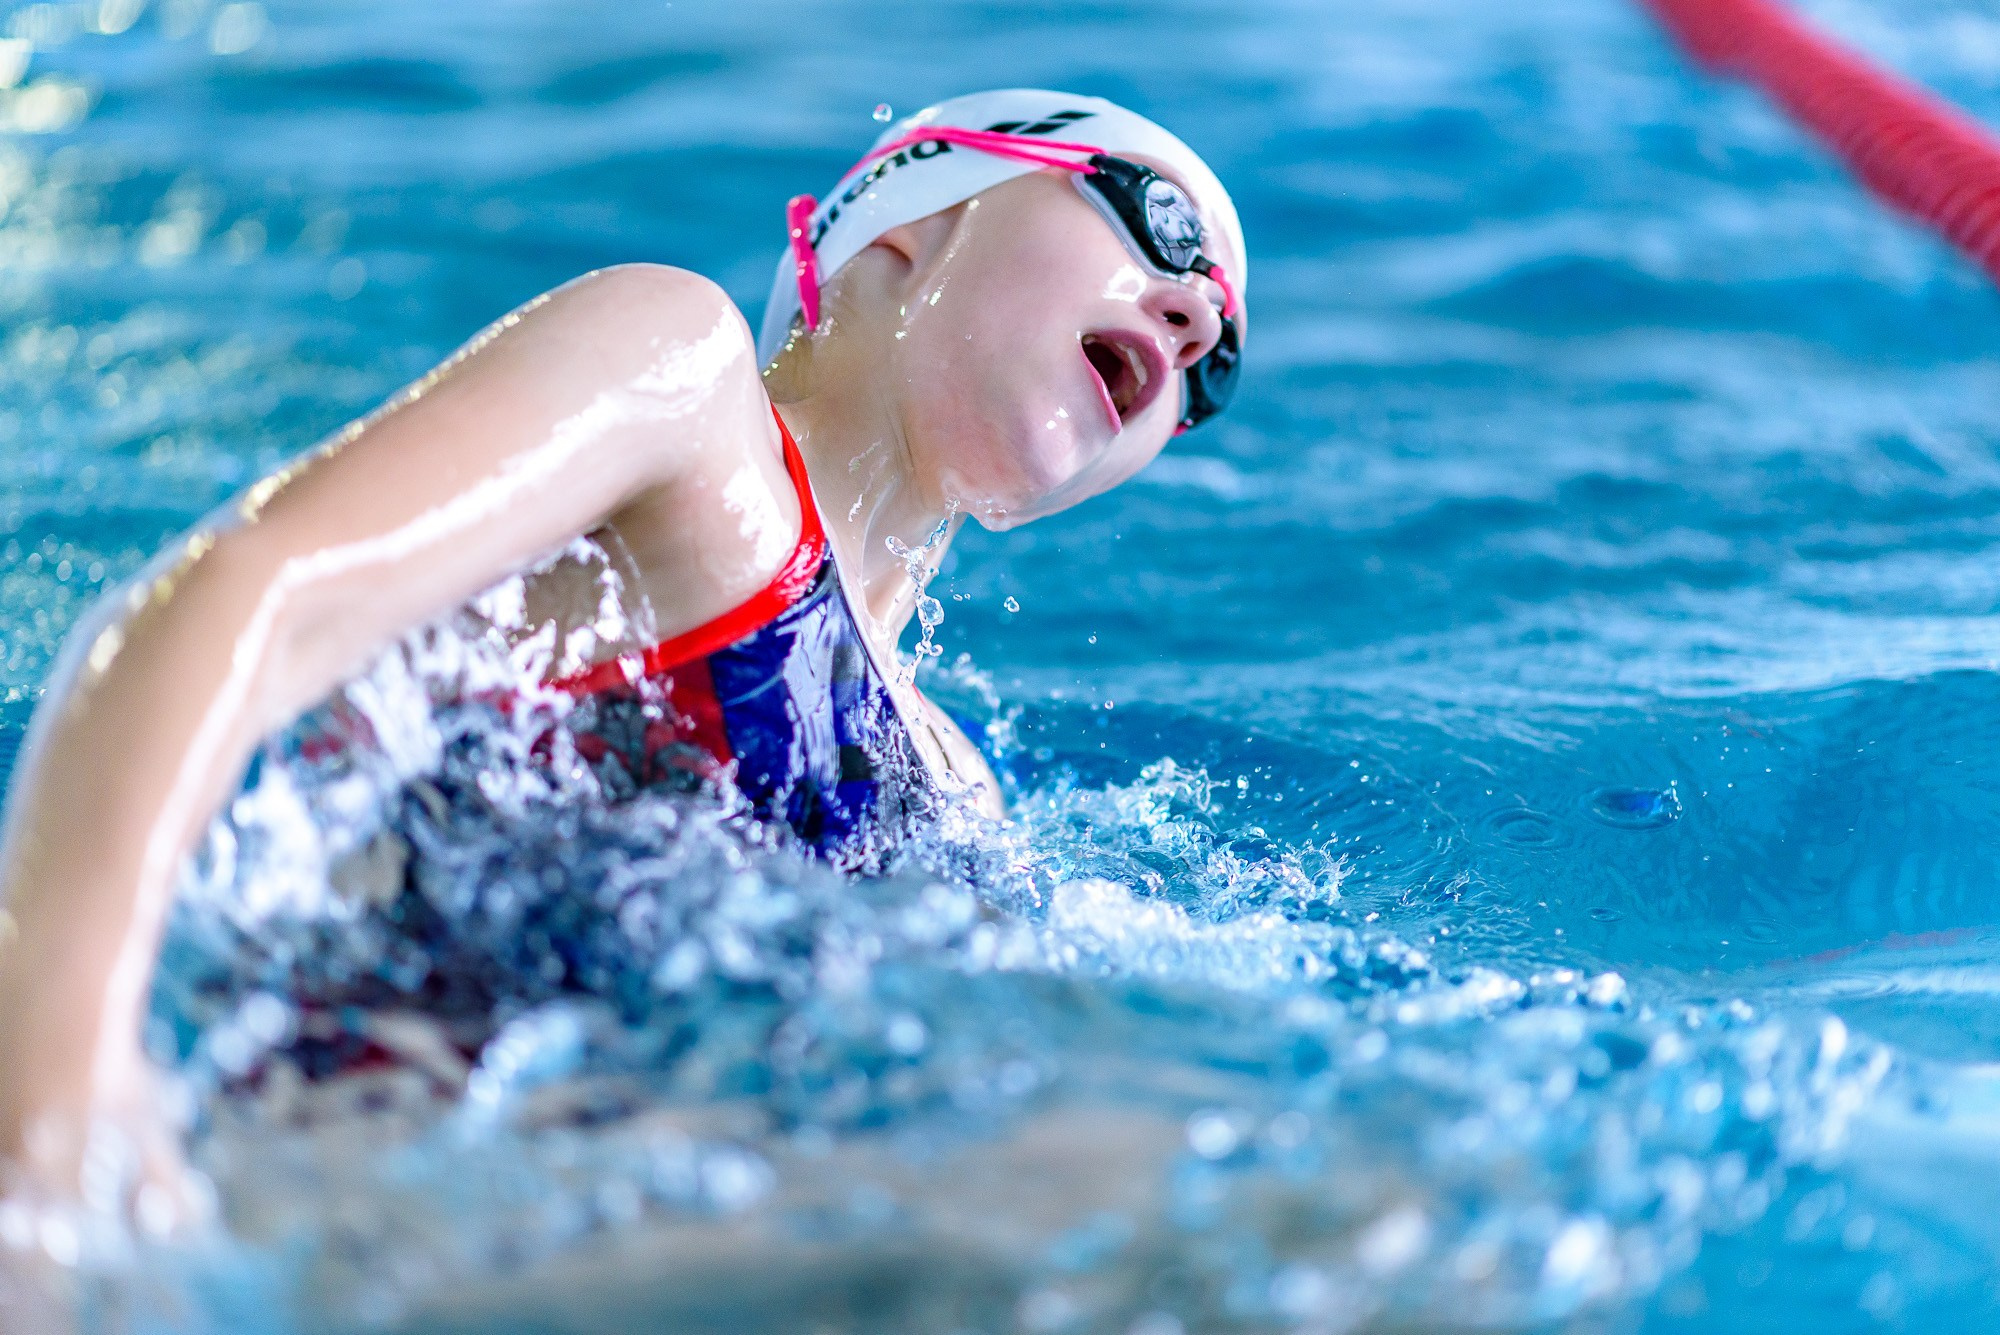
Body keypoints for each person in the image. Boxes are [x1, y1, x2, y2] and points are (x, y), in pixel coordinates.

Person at [0, 88, 1246, 1212]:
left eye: (1219, 367)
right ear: (912, 220)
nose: (1193, 318)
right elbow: (250, 600)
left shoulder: (955, 780)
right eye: (1158, 225)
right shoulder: (683, 385)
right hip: (325, 1187)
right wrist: (59, 1082)